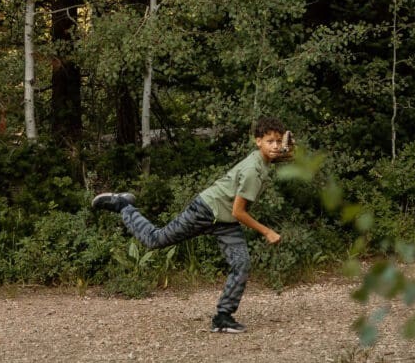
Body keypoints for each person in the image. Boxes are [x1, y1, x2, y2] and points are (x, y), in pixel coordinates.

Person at [91, 116, 292, 334]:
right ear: (258, 141)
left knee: (241, 263)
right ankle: (124, 206)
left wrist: (286, 152)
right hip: (205, 210)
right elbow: (239, 211)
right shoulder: (253, 171)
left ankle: (223, 318)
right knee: (155, 239)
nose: (275, 145)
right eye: (270, 141)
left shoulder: (263, 160)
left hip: (224, 221)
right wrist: (267, 231)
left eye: (278, 141)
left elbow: (277, 157)